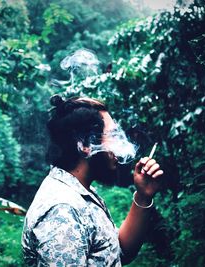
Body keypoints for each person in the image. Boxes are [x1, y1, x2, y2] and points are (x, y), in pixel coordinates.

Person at [21, 95, 164, 266]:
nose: (119, 145)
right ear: (85, 145)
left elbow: (117, 253)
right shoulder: (62, 211)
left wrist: (143, 196)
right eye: (112, 135)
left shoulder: (79, 191)